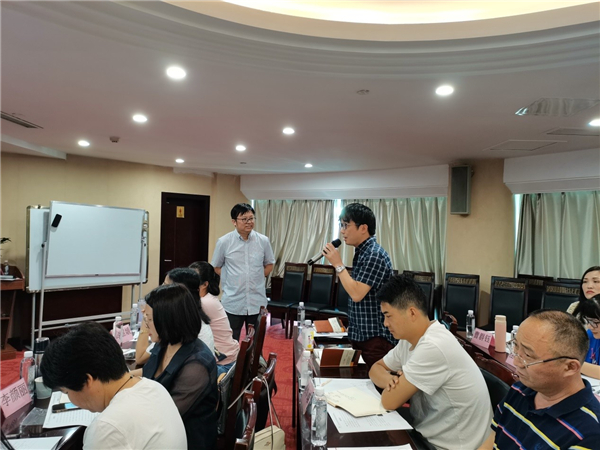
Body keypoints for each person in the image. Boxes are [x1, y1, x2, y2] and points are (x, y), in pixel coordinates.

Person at [369, 275, 492, 449]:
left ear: (412, 312)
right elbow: (375, 368)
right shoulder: (409, 339)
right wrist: (392, 380)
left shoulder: (434, 345)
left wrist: (395, 385)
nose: (385, 323)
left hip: (450, 446)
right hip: (427, 434)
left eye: (388, 316)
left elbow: (389, 401)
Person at [40, 322, 187, 450]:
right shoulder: (154, 387)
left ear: (87, 380)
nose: (71, 400)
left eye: (67, 392)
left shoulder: (107, 428)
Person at [478, 310, 600, 450]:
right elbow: (492, 441)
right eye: (515, 346)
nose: (516, 362)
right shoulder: (520, 390)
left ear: (570, 367)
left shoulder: (589, 434)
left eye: (528, 355)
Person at [138, 284, 218, 450]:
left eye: (150, 320)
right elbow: (148, 372)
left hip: (186, 441)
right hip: (160, 431)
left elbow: (164, 417)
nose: (146, 325)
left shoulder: (197, 366)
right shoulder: (166, 343)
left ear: (168, 320)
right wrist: (118, 378)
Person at [322, 202, 396, 368]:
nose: (342, 231)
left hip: (374, 337)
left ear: (363, 228)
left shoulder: (374, 255)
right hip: (362, 334)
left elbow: (356, 294)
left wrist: (338, 264)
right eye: (341, 225)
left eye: (346, 225)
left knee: (377, 381)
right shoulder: (363, 252)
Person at [211, 202, 275, 340]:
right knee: (231, 341)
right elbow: (216, 266)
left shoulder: (263, 241)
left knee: (255, 343)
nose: (249, 222)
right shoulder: (224, 242)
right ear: (234, 221)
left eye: (251, 218)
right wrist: (231, 277)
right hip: (233, 301)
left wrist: (257, 276)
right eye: (244, 219)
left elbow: (269, 264)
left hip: (257, 301)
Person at [135, 268, 215, 365]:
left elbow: (140, 358)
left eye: (165, 285)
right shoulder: (188, 318)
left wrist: (147, 318)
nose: (160, 288)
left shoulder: (183, 326)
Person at [190, 261, 240, 376]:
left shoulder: (204, 303)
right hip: (227, 358)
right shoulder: (208, 299)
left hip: (223, 365)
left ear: (204, 284)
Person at [573, 294, 600, 379]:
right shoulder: (590, 334)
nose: (590, 326)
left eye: (594, 322)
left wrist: (573, 364)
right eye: (588, 321)